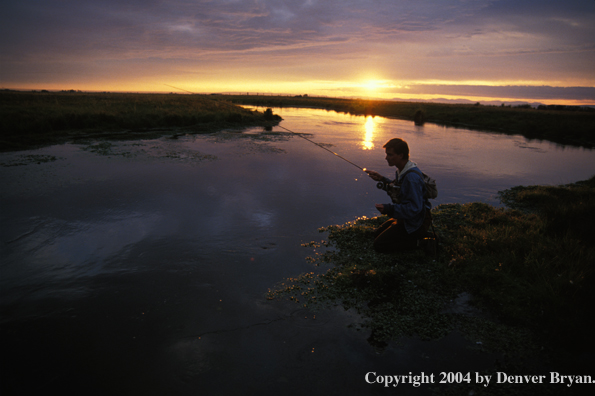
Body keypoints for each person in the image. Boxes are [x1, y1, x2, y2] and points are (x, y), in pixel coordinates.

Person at [365, 138, 431, 253]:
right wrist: (381, 179)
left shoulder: (411, 178)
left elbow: (414, 209)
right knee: (376, 234)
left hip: (416, 222)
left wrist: (388, 209)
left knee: (379, 245)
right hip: (407, 218)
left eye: (390, 155)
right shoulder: (403, 170)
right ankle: (416, 237)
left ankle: (421, 242)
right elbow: (400, 189)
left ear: (400, 155)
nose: (386, 158)